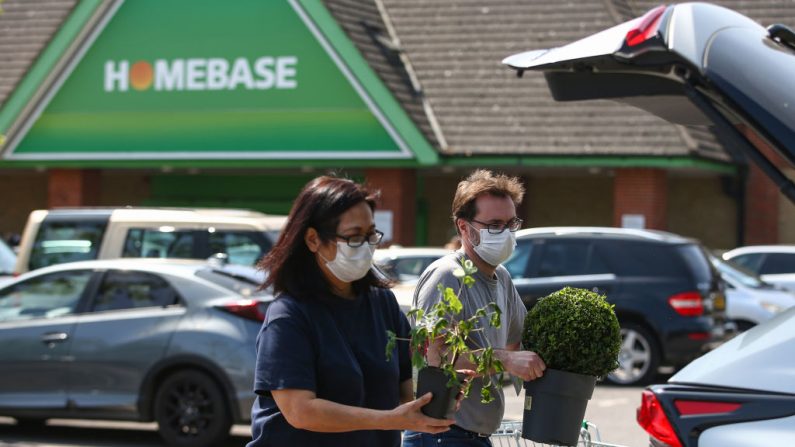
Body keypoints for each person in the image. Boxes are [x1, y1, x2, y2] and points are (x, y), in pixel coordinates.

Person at [247, 176, 455, 447]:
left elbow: (408, 385)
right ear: (313, 239)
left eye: (371, 235)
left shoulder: (382, 303)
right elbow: (300, 411)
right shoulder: (289, 315)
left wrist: (440, 389)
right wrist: (389, 419)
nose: (367, 245)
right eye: (355, 237)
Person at [403, 169, 546, 447]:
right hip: (440, 435)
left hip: (475, 436)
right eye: (494, 225)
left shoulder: (501, 277)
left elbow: (520, 340)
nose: (504, 233)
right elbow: (437, 358)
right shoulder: (447, 276)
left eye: (510, 223)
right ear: (464, 228)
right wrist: (505, 360)